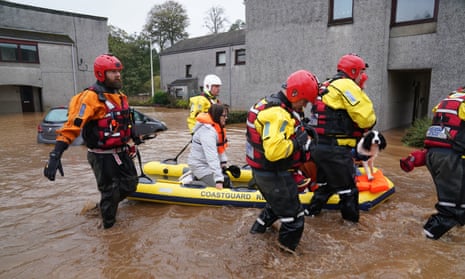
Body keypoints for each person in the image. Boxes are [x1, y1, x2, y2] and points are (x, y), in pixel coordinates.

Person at [43, 54, 141, 229]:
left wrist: (134, 137)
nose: (118, 75)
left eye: (119, 71)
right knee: (110, 191)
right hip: (102, 156)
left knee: (131, 184)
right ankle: (109, 232)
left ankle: (104, 206)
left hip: (121, 151)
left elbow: (126, 120)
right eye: (113, 72)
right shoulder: (89, 98)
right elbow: (72, 127)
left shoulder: (120, 96)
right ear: (101, 74)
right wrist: (55, 155)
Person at [246, 70, 319, 253]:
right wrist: (298, 142)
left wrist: (302, 130)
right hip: (271, 172)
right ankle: (284, 260)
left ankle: (256, 234)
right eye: (304, 101)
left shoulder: (271, 103)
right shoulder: (278, 114)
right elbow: (274, 152)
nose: (304, 107)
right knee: (295, 219)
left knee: (276, 206)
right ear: (295, 94)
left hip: (266, 172)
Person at [306, 53, 376, 223]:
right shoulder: (346, 85)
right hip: (335, 149)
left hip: (318, 147)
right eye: (361, 72)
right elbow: (366, 119)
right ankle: (351, 229)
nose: (362, 76)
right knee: (349, 192)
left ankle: (311, 214)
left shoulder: (326, 85)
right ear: (353, 71)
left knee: (327, 185)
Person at [400, 86, 465, 240]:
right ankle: (421, 241)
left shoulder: (451, 99)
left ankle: (446, 238)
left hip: (436, 157)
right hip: (452, 161)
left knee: (457, 206)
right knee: (453, 211)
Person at [187, 104, 233, 190]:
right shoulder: (208, 133)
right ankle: (192, 182)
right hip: (200, 166)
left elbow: (221, 149)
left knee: (227, 180)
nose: (226, 118)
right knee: (223, 184)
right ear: (217, 115)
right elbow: (212, 157)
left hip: (208, 165)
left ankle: (201, 178)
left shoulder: (217, 128)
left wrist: (224, 165)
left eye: (227, 115)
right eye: (224, 116)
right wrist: (219, 180)